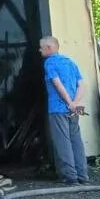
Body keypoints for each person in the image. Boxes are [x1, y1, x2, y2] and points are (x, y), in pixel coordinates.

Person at [40, 36, 90, 185]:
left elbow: (57, 84)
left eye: (41, 47)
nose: (39, 50)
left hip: (58, 108)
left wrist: (69, 102)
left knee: (63, 142)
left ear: (49, 48)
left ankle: (70, 177)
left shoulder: (49, 62)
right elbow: (81, 85)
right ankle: (83, 175)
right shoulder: (70, 62)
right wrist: (75, 103)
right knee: (76, 141)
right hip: (73, 109)